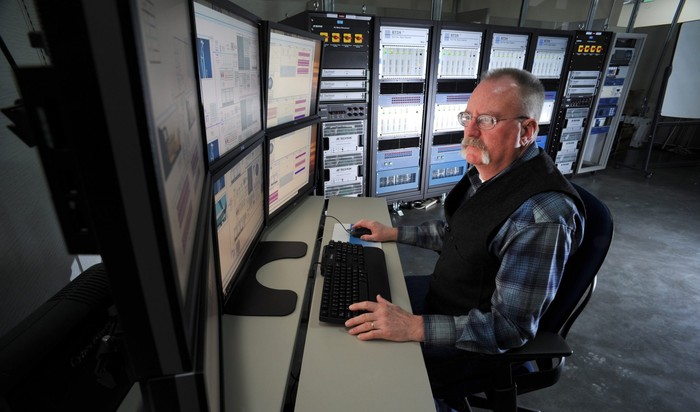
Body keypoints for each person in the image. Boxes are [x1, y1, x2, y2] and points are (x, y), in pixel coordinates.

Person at [345, 68, 586, 391]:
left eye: (486, 121)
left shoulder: (540, 217)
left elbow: (509, 329)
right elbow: (460, 234)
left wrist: (414, 327)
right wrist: (395, 233)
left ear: (526, 131)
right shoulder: (489, 172)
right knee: (352, 305)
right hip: (445, 300)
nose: (470, 131)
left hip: (472, 346)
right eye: (468, 117)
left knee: (359, 372)